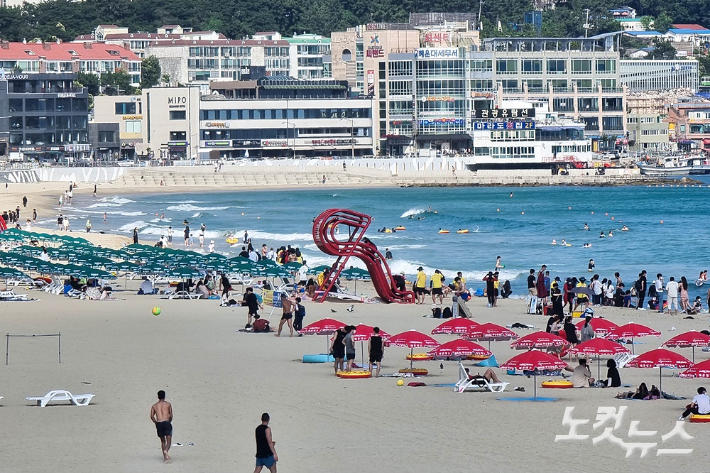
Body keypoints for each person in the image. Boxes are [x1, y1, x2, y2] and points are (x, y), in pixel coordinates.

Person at [150, 390, 173, 462]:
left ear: (158, 396)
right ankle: (166, 451)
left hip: (159, 423)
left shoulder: (154, 406)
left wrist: (156, 423)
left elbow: (152, 416)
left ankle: (165, 458)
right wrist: (169, 422)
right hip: (166, 422)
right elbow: (171, 415)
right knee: (168, 441)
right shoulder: (168, 404)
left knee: (163, 441)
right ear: (164, 396)